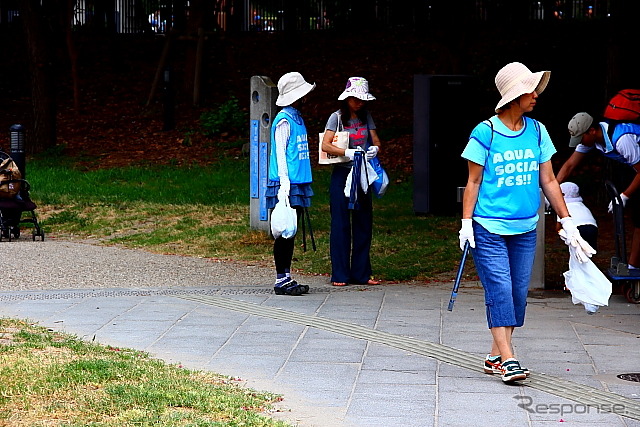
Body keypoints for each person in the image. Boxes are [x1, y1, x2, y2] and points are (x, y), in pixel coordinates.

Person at [459, 62, 595, 383]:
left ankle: (495, 354)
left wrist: (568, 221)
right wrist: (466, 224)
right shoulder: (486, 131)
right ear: (514, 95)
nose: (535, 95)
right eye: (529, 90)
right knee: (501, 290)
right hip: (488, 227)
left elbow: (548, 179)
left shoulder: (537, 130)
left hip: (525, 228)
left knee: (518, 293)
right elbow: (474, 182)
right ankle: (509, 359)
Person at [556, 112, 640, 270]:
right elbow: (569, 165)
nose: (580, 143)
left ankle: (633, 266)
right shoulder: (590, 140)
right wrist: (553, 187)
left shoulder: (622, 139)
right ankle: (632, 267)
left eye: (581, 138)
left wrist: (624, 196)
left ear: (592, 131)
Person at [321, 77, 381, 287]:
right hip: (343, 173)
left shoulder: (366, 117)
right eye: (355, 99)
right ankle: (340, 273)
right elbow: (326, 146)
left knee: (363, 222)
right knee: (340, 223)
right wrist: (346, 152)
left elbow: (375, 140)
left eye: (362, 100)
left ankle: (362, 272)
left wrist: (375, 149)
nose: (359, 103)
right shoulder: (336, 118)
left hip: (362, 172)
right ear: (347, 99)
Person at [266, 72, 315, 296]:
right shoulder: (285, 120)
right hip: (287, 183)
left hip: (297, 181)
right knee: (285, 231)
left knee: (291, 230)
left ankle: (286, 276)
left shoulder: (296, 118)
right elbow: (281, 152)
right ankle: (281, 278)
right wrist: (284, 184)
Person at [555, 182, 598, 251]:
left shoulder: (563, 207)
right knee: (590, 249)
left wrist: (560, 232)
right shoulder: (582, 205)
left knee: (577, 250)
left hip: (576, 229)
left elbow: (558, 227)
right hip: (592, 228)